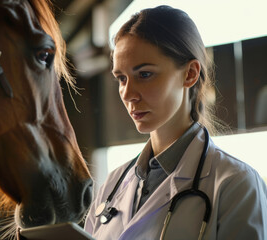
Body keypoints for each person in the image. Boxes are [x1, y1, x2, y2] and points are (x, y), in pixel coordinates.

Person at [84, 5, 267, 240]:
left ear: (190, 74)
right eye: (121, 78)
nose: (128, 93)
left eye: (144, 74)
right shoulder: (111, 186)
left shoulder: (236, 184)